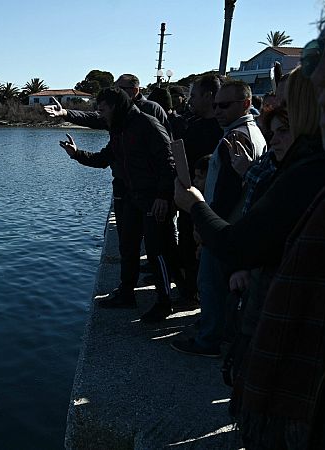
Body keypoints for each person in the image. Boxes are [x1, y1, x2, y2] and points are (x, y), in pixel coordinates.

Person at [238, 1, 325, 446]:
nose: (323, 73)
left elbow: (242, 243)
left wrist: (192, 205)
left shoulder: (315, 178)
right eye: (314, 54)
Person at [58, 87, 177, 322]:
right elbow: (105, 159)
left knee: (156, 251)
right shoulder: (119, 128)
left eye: (102, 110)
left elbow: (169, 161)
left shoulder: (147, 124)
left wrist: (164, 196)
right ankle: (126, 292)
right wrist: (76, 154)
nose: (100, 115)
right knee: (127, 246)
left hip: (154, 199)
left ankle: (165, 302)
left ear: (115, 106)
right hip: (132, 196)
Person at [172, 80, 267, 357]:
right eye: (215, 105)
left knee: (211, 285)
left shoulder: (233, 140)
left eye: (225, 105)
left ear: (246, 104)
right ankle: (218, 332)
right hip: (235, 227)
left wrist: (204, 227)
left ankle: (208, 341)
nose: (217, 111)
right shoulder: (254, 132)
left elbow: (227, 193)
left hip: (223, 226)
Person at [176, 74, 225, 304]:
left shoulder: (222, 130)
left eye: (194, 95)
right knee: (185, 244)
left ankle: (199, 297)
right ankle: (188, 291)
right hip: (188, 198)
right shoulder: (192, 124)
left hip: (209, 202)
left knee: (202, 251)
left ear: (208, 95)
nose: (190, 101)